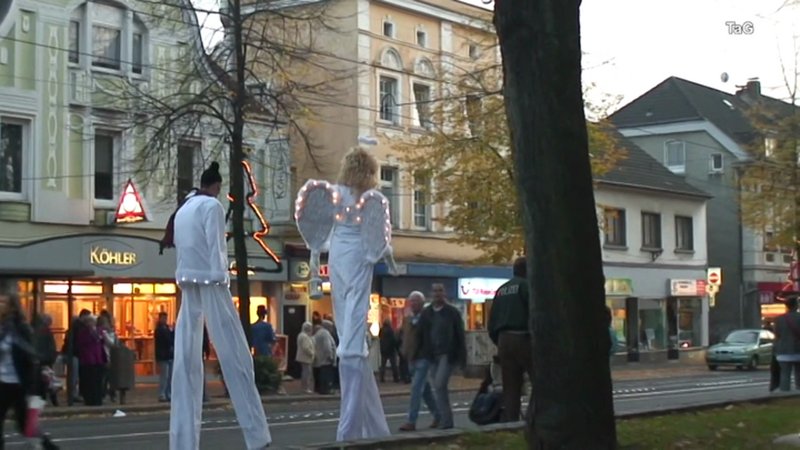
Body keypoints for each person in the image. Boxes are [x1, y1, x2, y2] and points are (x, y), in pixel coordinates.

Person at [165, 161, 271, 450]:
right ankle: (256, 433)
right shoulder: (211, 206)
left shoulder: (184, 207)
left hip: (188, 279)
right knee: (235, 353)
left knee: (186, 357)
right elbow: (216, 244)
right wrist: (221, 275)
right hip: (209, 279)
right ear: (216, 187)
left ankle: (182, 439)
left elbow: (182, 243)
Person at [295, 147, 398, 441]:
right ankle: (349, 431)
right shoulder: (371, 198)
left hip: (337, 256)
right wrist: (391, 263)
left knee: (345, 318)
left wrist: (315, 271)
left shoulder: (334, 193)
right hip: (360, 256)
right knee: (353, 332)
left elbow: (318, 234)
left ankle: (373, 429)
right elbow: (382, 241)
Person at [0, 279, 59, 449]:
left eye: (3, 302)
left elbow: (31, 357)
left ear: (12, 307)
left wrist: (32, 387)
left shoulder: (20, 328)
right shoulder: (2, 328)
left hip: (19, 383)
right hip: (2, 383)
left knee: (27, 427)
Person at [487, 256, 533, 422]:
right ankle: (533, 418)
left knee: (511, 386)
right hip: (523, 338)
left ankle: (511, 422)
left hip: (503, 341)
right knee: (540, 381)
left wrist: (498, 340)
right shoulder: (527, 286)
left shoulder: (501, 289)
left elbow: (491, 321)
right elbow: (535, 312)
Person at [415, 283, 466, 430]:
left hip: (447, 354)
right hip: (432, 355)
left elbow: (459, 335)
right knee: (438, 387)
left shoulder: (452, 312)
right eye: (435, 291)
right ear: (431, 294)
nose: (437, 294)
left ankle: (446, 420)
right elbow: (420, 334)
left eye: (440, 291)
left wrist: (462, 358)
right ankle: (444, 419)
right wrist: (419, 353)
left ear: (444, 293)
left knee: (439, 384)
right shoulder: (427, 313)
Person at [398, 291, 440, 432]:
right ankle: (438, 415)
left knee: (416, 388)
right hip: (412, 358)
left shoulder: (427, 318)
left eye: (416, 301)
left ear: (422, 303)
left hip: (423, 357)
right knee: (425, 391)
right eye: (412, 301)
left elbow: (430, 337)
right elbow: (405, 337)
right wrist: (404, 351)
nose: (413, 304)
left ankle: (411, 421)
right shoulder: (408, 319)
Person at [774, 295, 800, 391]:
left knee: (784, 374)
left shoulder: (779, 319)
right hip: (798, 350)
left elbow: (777, 334)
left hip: (783, 350)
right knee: (799, 375)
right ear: (796, 305)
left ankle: (785, 393)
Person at [155, 312, 174, 402]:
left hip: (169, 355)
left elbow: (171, 339)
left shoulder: (167, 328)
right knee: (164, 376)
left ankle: (168, 393)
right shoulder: (159, 329)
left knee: (169, 376)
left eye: (166, 318)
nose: (165, 320)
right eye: (163, 318)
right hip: (163, 356)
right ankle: (162, 394)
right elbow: (165, 340)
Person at [296, 322, 315, 394]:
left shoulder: (301, 335)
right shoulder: (304, 336)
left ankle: (304, 387)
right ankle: (305, 388)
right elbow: (306, 347)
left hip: (303, 357)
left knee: (305, 372)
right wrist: (312, 353)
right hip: (305, 357)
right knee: (307, 373)